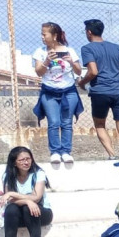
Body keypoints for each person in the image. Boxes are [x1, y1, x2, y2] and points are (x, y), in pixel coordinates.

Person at [77, 19, 119, 160]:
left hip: (100, 92)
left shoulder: (87, 48)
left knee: (100, 125)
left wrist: (82, 83)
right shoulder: (115, 47)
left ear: (89, 32)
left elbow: (93, 72)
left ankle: (112, 155)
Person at [33, 22, 83, 164]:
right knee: (54, 122)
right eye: (41, 34)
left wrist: (72, 62)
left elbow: (79, 71)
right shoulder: (40, 52)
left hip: (69, 92)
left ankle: (66, 152)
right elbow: (38, 72)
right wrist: (47, 61)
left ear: (54, 36)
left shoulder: (70, 51)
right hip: (49, 92)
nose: (42, 37)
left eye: (45, 34)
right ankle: (55, 152)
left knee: (67, 123)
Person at [0, 146, 53, 237]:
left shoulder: (38, 174)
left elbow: (37, 197)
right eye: (22, 160)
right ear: (14, 163)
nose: (26, 162)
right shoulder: (7, 176)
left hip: (41, 213)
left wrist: (13, 193)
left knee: (27, 209)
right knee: (11, 209)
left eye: (28, 159)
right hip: (18, 215)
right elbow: (10, 200)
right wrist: (28, 201)